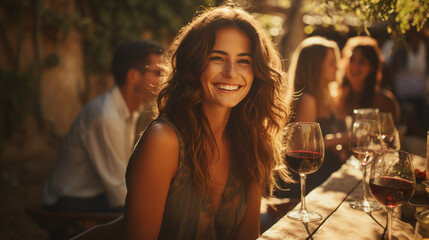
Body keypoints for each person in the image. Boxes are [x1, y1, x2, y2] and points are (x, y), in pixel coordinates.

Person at [123, 3, 293, 239]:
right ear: (193, 64)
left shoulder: (253, 139)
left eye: (244, 60)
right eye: (217, 57)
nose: (231, 72)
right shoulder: (163, 141)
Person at [43, 40, 164, 212]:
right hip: (68, 201)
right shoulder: (106, 117)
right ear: (132, 76)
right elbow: (118, 192)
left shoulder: (127, 111)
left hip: (92, 194)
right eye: (158, 72)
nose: (163, 80)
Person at [276, 36, 349, 199]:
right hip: (306, 182)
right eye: (331, 62)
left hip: (321, 177)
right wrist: (344, 139)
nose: (338, 66)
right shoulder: (308, 99)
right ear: (315, 67)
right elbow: (303, 148)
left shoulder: (326, 96)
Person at [335, 36, 400, 123]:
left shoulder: (385, 101)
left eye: (361, 61)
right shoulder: (336, 98)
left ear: (372, 67)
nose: (355, 66)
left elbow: (391, 133)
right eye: (352, 60)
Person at [382, 27, 429, 135]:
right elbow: (386, 70)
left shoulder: (426, 46)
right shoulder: (395, 45)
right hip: (399, 97)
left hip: (421, 98)